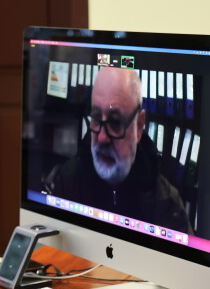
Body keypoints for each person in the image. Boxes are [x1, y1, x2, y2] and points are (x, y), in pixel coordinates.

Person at [45, 66, 192, 234]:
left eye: (115, 122)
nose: (102, 138)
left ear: (139, 126)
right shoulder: (68, 179)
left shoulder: (167, 204)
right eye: (96, 118)